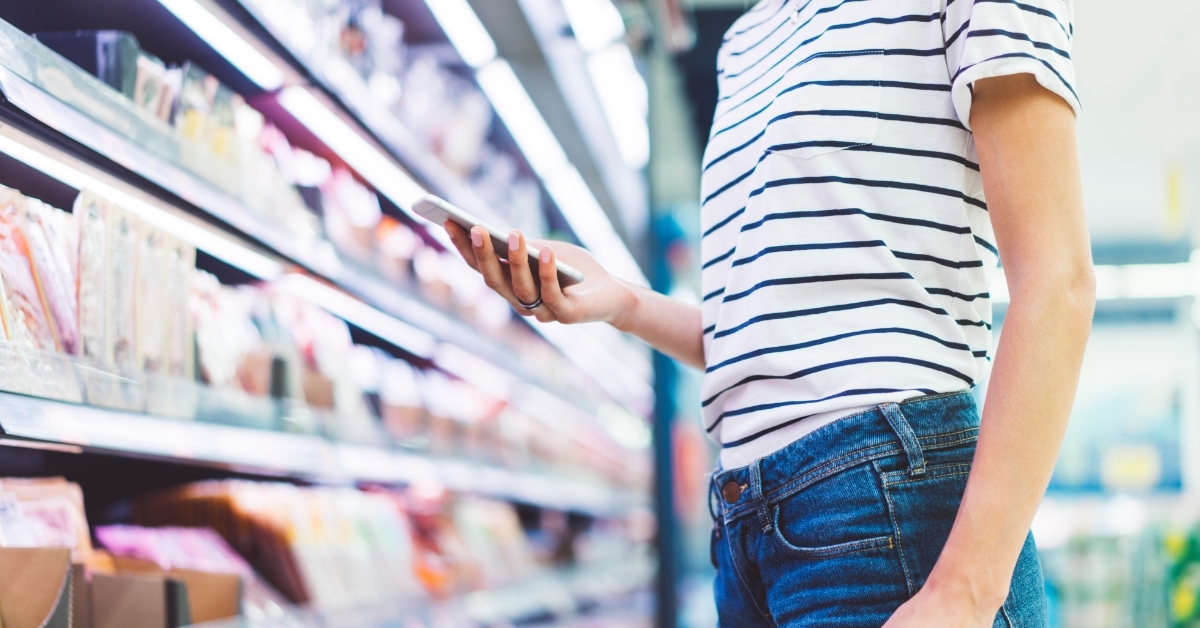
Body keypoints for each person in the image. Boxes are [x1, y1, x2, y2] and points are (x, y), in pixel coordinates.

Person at [444, 0, 1093, 625]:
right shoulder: (748, 38)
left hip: (888, 509)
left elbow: (1058, 281)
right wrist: (622, 299)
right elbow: (765, 331)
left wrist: (966, 592)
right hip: (745, 528)